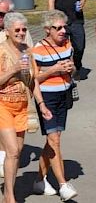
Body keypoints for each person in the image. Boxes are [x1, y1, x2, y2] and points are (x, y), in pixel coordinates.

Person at [0, 13, 50, 203]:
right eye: (17, 30)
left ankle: (8, 193)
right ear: (7, 32)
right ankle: (10, 197)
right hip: (2, 104)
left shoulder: (28, 52)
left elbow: (33, 81)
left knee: (17, 152)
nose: (21, 33)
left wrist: (41, 104)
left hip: (22, 106)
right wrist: (12, 70)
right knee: (12, 150)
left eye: (24, 29)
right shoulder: (1, 50)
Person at [31, 10, 78, 201]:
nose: (62, 31)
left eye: (64, 27)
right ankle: (63, 184)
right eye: (57, 28)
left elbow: (74, 68)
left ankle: (39, 180)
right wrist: (53, 70)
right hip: (47, 98)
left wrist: (70, 69)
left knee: (53, 140)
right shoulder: (37, 49)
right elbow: (33, 79)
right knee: (54, 141)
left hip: (64, 95)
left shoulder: (67, 44)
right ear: (47, 30)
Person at [47, 0, 88, 80]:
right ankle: (65, 70)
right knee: (62, 47)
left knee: (80, 46)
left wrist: (82, 3)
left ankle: (77, 65)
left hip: (77, 19)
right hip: (61, 21)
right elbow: (51, 0)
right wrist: (52, 20)